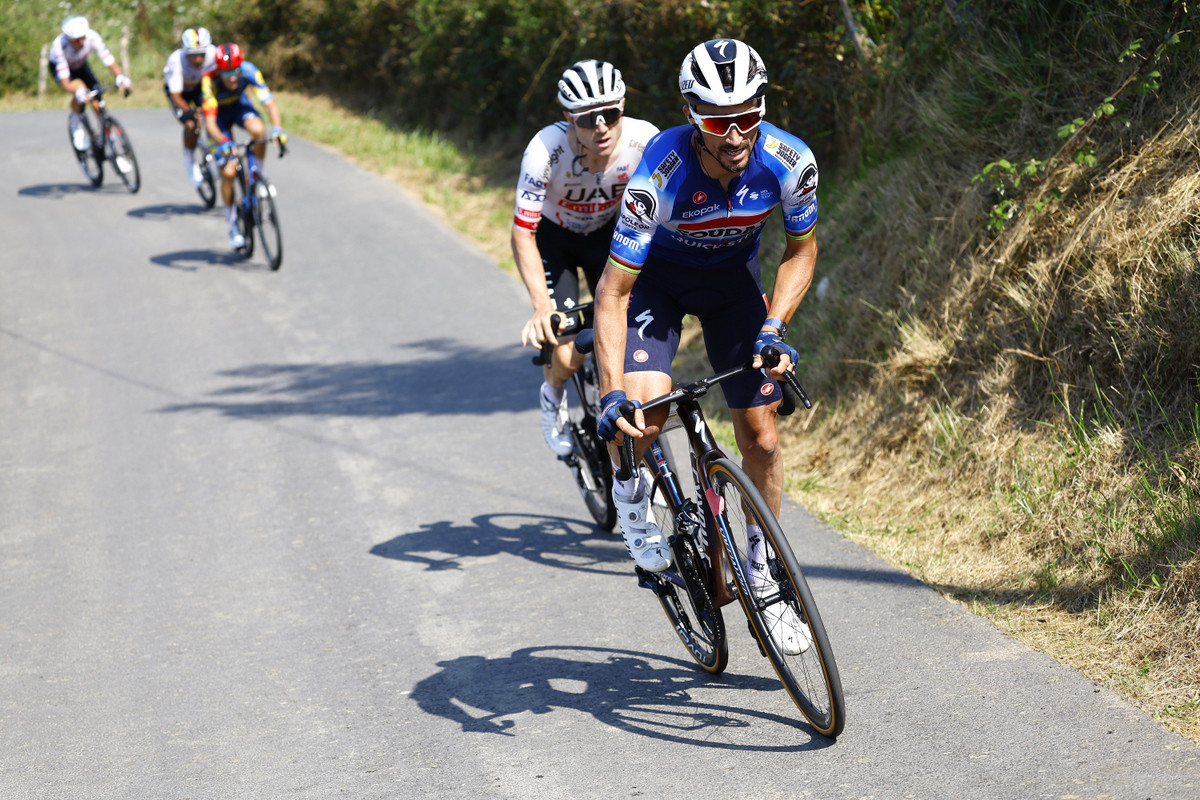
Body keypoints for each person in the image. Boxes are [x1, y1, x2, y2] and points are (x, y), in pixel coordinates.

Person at [593, 39, 819, 653]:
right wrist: (611, 392)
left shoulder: (789, 162)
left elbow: (801, 252)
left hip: (732, 289)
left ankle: (763, 573)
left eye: (748, 115)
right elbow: (613, 293)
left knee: (763, 437)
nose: (736, 133)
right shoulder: (658, 175)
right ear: (693, 113)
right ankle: (631, 492)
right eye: (720, 121)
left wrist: (774, 329)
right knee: (643, 414)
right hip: (655, 289)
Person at [514, 59, 659, 456]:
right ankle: (553, 392)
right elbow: (522, 231)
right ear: (568, 118)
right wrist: (541, 306)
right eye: (586, 118)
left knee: (623, 328)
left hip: (608, 237)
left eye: (610, 114)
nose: (600, 127)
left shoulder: (644, 139)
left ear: (623, 106)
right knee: (564, 348)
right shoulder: (545, 150)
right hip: (554, 240)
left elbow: (666, 212)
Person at [200, 43, 287, 249]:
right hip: (217, 118)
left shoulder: (249, 70)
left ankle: (258, 175)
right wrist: (223, 142)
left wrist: (277, 129)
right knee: (229, 172)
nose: (232, 77)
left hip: (239, 106)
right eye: (227, 72)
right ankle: (232, 225)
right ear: (218, 70)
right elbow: (210, 124)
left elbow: (269, 104)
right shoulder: (208, 80)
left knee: (258, 131)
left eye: (235, 71)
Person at [50, 16, 132, 152]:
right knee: (80, 88)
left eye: (83, 37)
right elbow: (65, 82)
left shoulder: (92, 37)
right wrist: (78, 92)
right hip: (64, 70)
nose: (81, 42)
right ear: (69, 38)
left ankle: (110, 144)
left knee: (96, 101)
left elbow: (107, 59)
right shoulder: (59, 47)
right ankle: (76, 126)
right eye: (77, 40)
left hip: (81, 66)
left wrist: (120, 76)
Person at [163, 27, 217, 188]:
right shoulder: (176, 60)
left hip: (199, 88)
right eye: (193, 55)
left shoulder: (213, 54)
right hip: (180, 94)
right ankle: (189, 159)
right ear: (186, 51)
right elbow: (175, 96)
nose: (199, 60)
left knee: (213, 117)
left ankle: (214, 152)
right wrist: (190, 112)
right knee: (192, 124)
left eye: (202, 54)